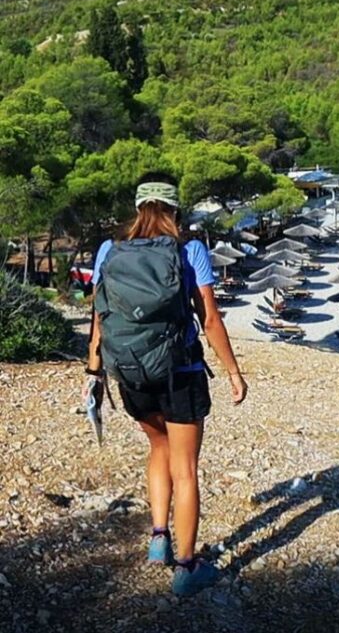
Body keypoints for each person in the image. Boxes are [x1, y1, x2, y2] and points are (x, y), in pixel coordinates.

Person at [85, 173, 249, 597]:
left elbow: (100, 316)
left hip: (131, 372)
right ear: (175, 209)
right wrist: (233, 370)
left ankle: (159, 538)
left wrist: (93, 370)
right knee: (186, 469)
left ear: (138, 207)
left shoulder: (109, 250)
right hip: (181, 373)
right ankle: (186, 566)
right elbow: (209, 319)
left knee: (157, 448)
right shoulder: (189, 249)